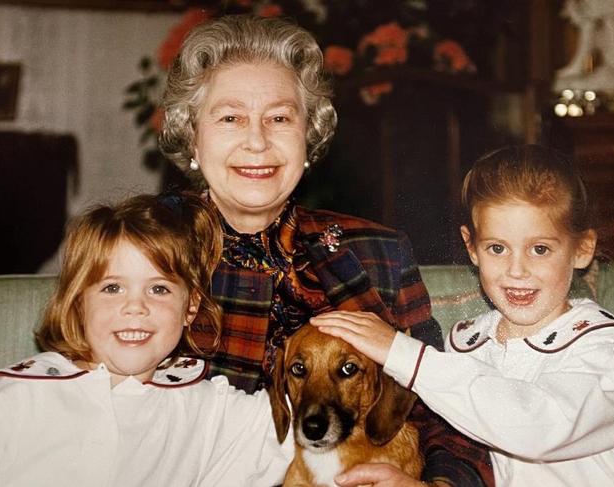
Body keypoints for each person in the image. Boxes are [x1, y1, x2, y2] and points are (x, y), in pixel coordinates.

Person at [159, 13, 493, 487]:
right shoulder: (145, 250)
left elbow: (448, 408)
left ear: (308, 138)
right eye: (230, 117)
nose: (257, 141)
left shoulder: (377, 252)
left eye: (279, 117)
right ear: (192, 134)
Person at [313, 144, 614, 486]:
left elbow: (533, 426)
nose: (517, 270)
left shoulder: (609, 352)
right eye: (497, 248)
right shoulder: (464, 343)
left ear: (582, 249)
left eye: (540, 249)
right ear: (471, 247)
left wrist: (402, 354)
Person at [0, 191, 292, 486]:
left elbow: (309, 432)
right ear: (79, 303)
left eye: (159, 289)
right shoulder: (15, 399)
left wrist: (341, 330)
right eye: (112, 288)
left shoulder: (210, 411)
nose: (135, 307)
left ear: (190, 307)